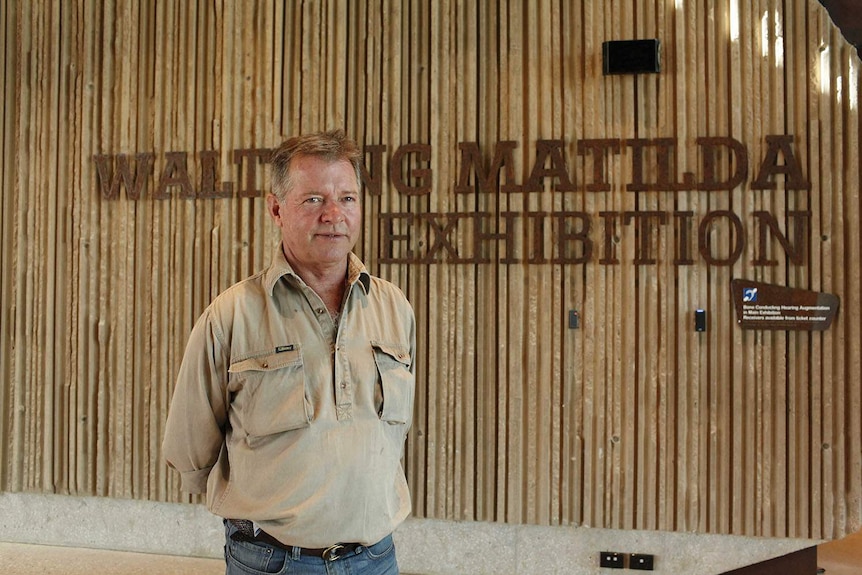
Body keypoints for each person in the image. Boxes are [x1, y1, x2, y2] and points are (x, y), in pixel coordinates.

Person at [163, 129, 416, 575]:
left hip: (375, 559)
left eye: (348, 198)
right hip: (271, 562)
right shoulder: (232, 315)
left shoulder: (394, 307)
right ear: (276, 208)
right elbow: (189, 444)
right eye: (314, 199)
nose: (334, 215)